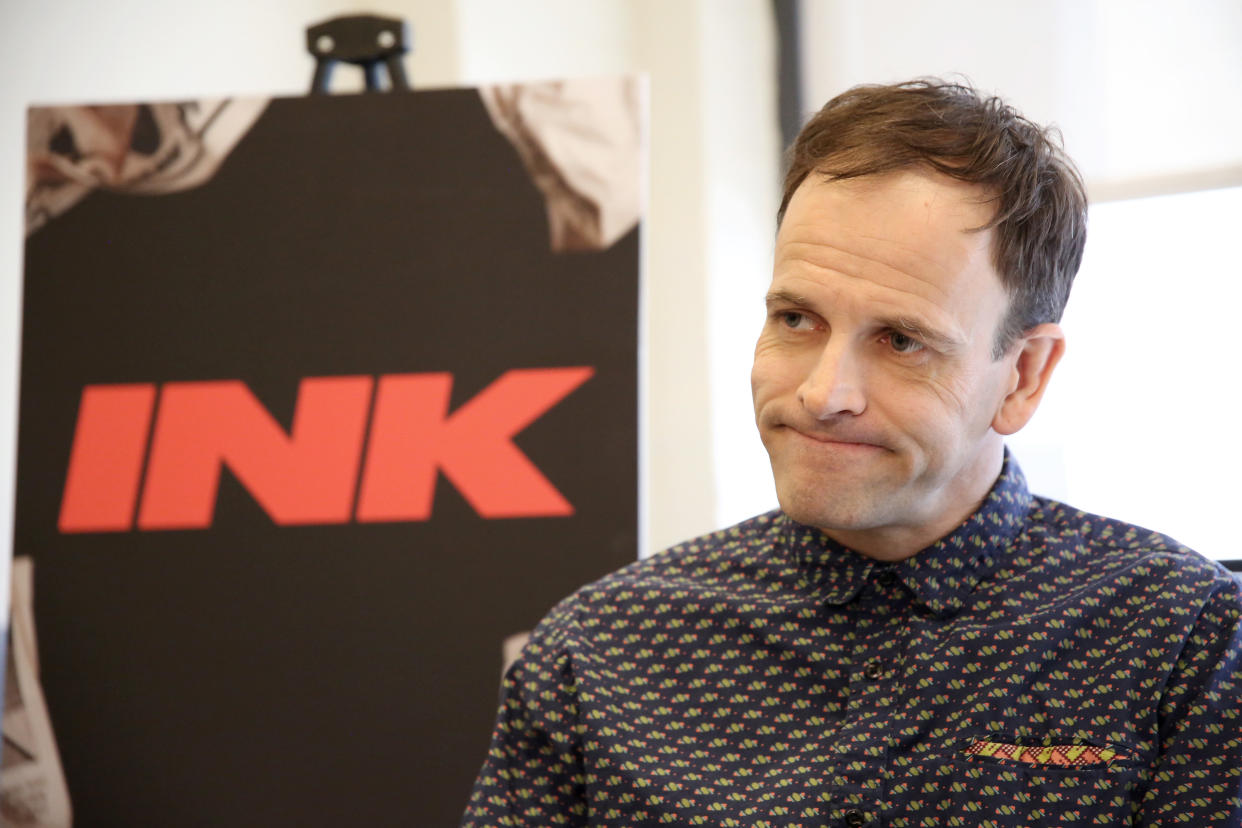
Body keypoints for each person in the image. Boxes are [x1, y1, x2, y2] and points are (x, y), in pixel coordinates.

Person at [461, 79, 1242, 827]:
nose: (823, 393)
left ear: (1025, 374)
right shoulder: (596, 655)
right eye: (796, 319)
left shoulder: (1181, 640)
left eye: (902, 341)